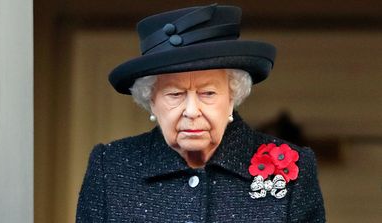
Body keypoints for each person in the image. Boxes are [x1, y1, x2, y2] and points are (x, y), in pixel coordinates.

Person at [76, 4, 325, 222]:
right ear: (151, 101)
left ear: (232, 96)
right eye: (175, 95)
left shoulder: (296, 169)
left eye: (208, 93)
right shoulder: (111, 167)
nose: (192, 111)